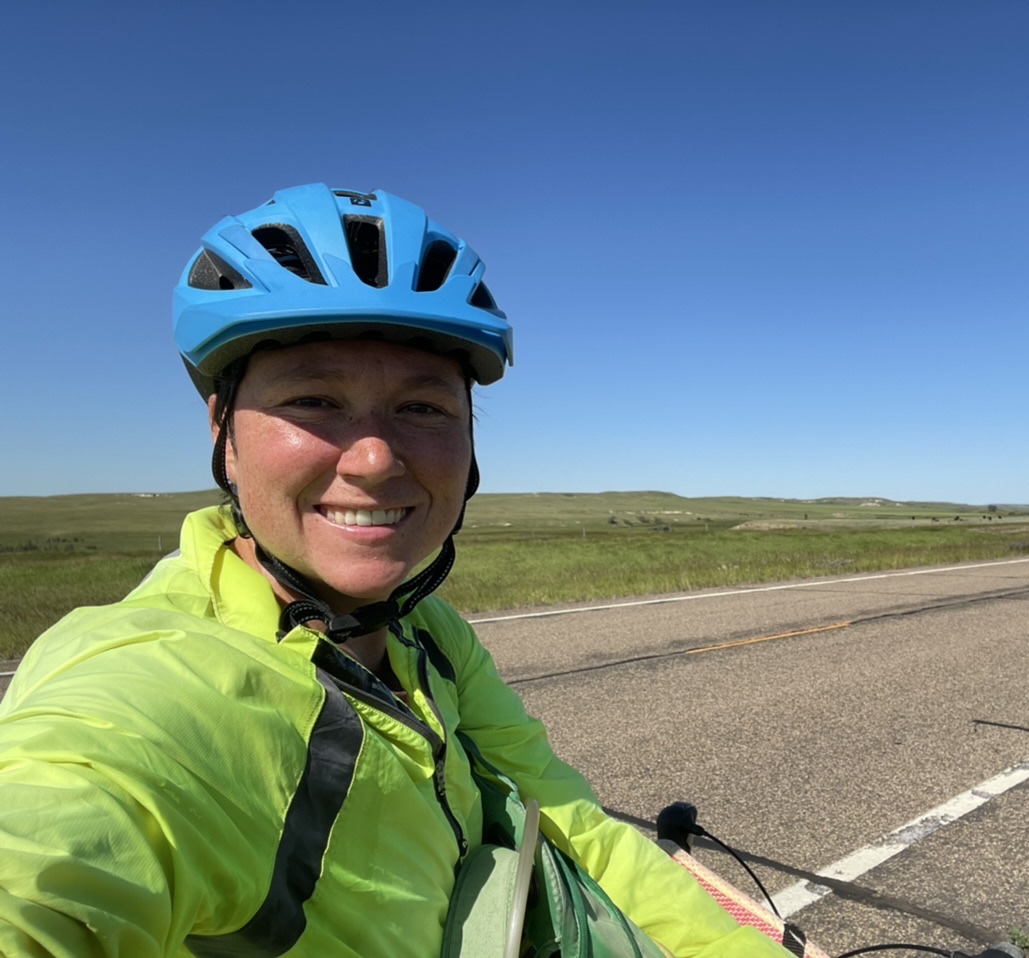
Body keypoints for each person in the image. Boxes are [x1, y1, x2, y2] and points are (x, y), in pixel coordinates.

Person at [0, 185, 787, 957]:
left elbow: (575, 827)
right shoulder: (152, 692)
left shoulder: (425, 630)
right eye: (314, 400)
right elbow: (56, 850)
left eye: (422, 408)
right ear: (223, 432)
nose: (376, 459)